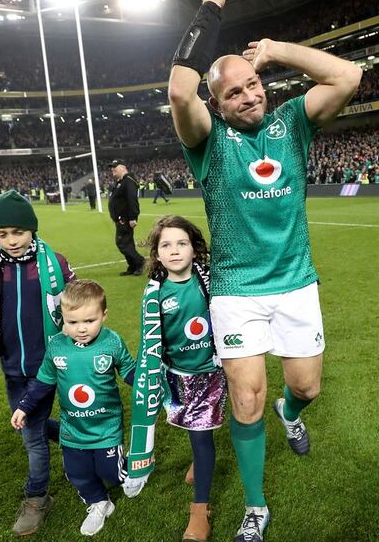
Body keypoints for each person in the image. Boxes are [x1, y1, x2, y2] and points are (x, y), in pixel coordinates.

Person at [166, 0, 362, 539]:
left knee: (305, 388)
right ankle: (257, 506)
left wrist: (277, 50)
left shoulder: (291, 123)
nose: (249, 95)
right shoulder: (207, 144)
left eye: (253, 83)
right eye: (234, 92)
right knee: (246, 401)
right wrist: (212, 1)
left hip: (297, 284)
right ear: (218, 105)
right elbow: (180, 89)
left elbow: (348, 75)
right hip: (236, 292)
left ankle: (292, 414)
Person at [0, 190, 75, 536]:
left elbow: (76, 305)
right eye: (2, 234)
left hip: (51, 365)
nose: (11, 241)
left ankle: (37, 497)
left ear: (32, 229)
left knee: (31, 435)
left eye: (18, 232)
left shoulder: (54, 262)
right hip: (13, 367)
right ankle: (80, 441)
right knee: (34, 427)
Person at [123, 216, 227, 542]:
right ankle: (200, 461)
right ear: (156, 253)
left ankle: (200, 511)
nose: (174, 250)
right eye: (166, 245)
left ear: (194, 249)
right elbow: (152, 343)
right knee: (187, 427)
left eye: (182, 243)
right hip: (176, 377)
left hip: (210, 374)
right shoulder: (154, 294)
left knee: (201, 436)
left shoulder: (210, 282)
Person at [11, 279, 136, 536]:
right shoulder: (56, 345)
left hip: (106, 428)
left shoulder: (112, 342)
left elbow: (129, 370)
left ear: (104, 315)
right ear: (63, 320)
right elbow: (43, 382)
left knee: (112, 474)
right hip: (73, 430)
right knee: (77, 473)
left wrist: (147, 387)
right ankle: (98, 502)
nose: (81, 329)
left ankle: (136, 465)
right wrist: (24, 406)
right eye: (73, 322)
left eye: (89, 321)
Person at [108, 160, 145, 276]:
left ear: (123, 167)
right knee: (127, 243)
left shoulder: (128, 181)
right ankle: (132, 266)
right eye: (111, 167)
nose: (112, 169)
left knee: (122, 243)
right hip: (120, 219)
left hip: (125, 219)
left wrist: (133, 217)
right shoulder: (121, 182)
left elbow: (132, 199)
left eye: (115, 167)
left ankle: (140, 262)